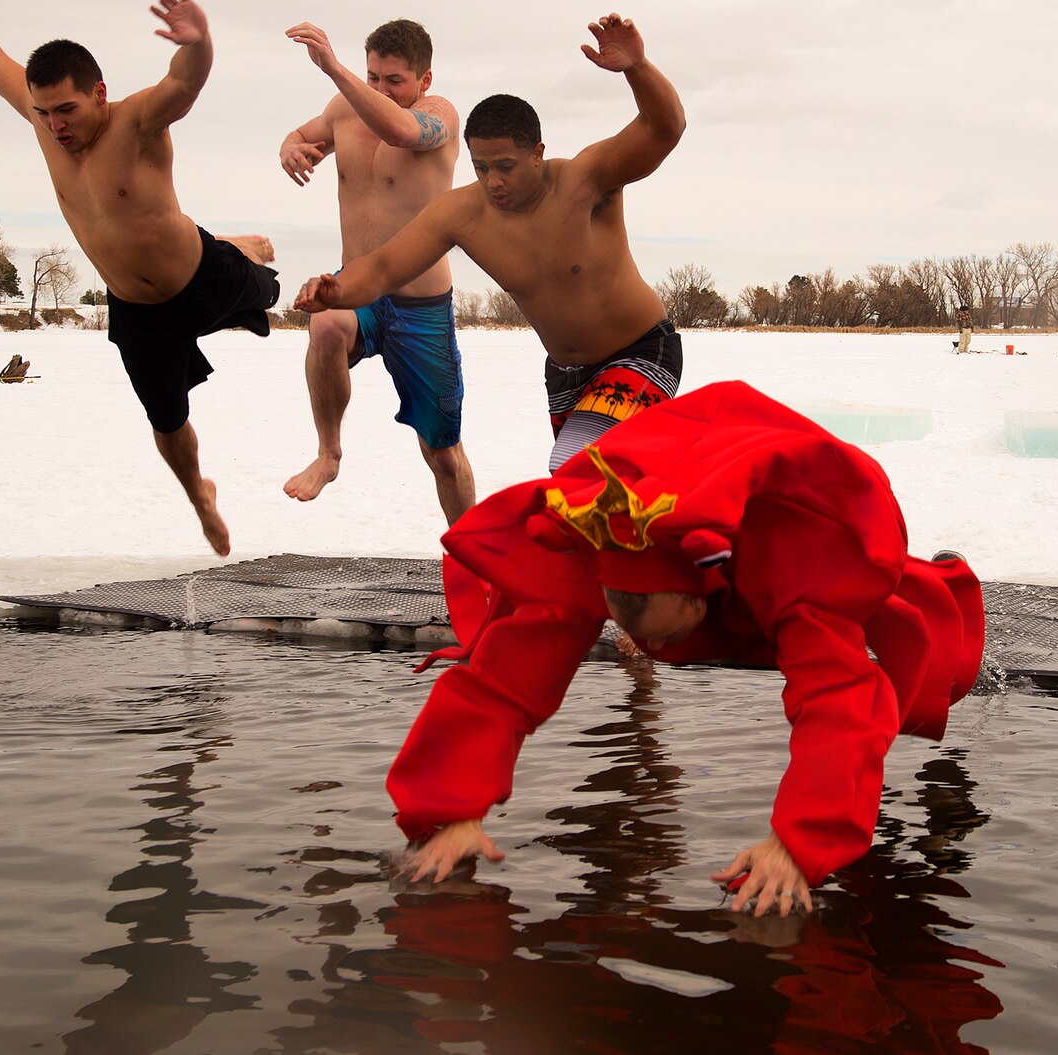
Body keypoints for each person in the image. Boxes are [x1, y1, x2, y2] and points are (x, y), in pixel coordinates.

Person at [384, 380, 987, 916]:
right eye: (631, 631)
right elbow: (501, 682)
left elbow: (840, 700)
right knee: (545, 627)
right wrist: (454, 812)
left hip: (774, 499)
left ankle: (946, 573)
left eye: (664, 635)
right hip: (662, 467)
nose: (648, 649)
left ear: (702, 600)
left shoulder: (795, 561)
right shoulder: (594, 552)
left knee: (921, 646)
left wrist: (801, 843)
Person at [0, 0, 279, 555]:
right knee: (166, 422)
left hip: (202, 276)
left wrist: (198, 43)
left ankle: (240, 246)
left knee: (273, 291)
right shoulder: (44, 126)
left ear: (97, 94)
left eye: (65, 109)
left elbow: (183, 84)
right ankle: (201, 496)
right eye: (43, 113)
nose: (55, 124)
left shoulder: (136, 122)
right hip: (138, 310)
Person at [295, 14, 686, 472]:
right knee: (601, 494)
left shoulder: (586, 180)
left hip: (638, 350)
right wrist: (336, 291)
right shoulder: (463, 214)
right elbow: (382, 268)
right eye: (481, 167)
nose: (493, 181)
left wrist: (637, 68)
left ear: (537, 154)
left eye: (506, 166)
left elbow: (666, 128)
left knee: (575, 469)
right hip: (564, 373)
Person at [276, 18, 474, 522]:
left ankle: (475, 559)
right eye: (373, 78)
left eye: (394, 80)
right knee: (325, 324)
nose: (381, 89)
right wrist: (291, 147)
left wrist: (333, 69)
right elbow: (303, 133)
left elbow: (400, 129)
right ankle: (329, 453)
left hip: (421, 306)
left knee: (444, 457)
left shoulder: (440, 116)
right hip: (358, 289)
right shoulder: (345, 109)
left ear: (424, 80)